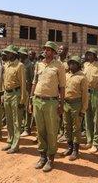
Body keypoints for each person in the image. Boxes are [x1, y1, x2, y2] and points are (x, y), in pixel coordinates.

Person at [29, 41, 66, 172]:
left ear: (54, 52)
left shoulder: (59, 66)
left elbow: (62, 86)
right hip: (37, 100)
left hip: (51, 102)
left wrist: (61, 103)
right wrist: (31, 100)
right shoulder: (38, 64)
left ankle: (51, 158)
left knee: (51, 131)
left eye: (49, 50)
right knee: (40, 130)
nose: (46, 51)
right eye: (45, 49)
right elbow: (34, 82)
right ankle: (42, 157)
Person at [62, 55, 88, 161]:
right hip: (66, 104)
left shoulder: (82, 77)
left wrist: (83, 109)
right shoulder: (66, 75)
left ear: (78, 65)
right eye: (70, 63)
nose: (72, 65)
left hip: (76, 104)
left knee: (76, 128)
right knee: (66, 126)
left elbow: (85, 95)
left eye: (74, 63)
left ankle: (75, 151)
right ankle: (69, 147)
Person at [1, 45, 26, 154]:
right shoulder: (6, 65)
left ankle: (16, 145)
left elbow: (23, 84)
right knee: (9, 120)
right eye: (6, 52)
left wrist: (22, 100)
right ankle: (10, 141)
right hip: (7, 94)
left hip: (16, 94)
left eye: (9, 53)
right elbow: (4, 81)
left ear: (14, 54)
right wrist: (2, 94)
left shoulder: (20, 66)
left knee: (16, 121)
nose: (7, 54)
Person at [83, 48, 98, 153]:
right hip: (86, 93)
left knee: (96, 119)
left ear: (95, 56)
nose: (89, 56)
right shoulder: (85, 65)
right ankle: (89, 140)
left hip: (96, 92)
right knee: (87, 117)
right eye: (88, 54)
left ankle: (96, 143)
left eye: (91, 54)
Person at [18, 47, 35, 137]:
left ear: (24, 55)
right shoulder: (20, 64)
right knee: (21, 109)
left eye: (20, 54)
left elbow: (32, 80)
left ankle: (27, 129)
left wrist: (31, 92)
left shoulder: (30, 65)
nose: (19, 55)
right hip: (21, 90)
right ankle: (22, 127)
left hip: (27, 91)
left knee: (27, 111)